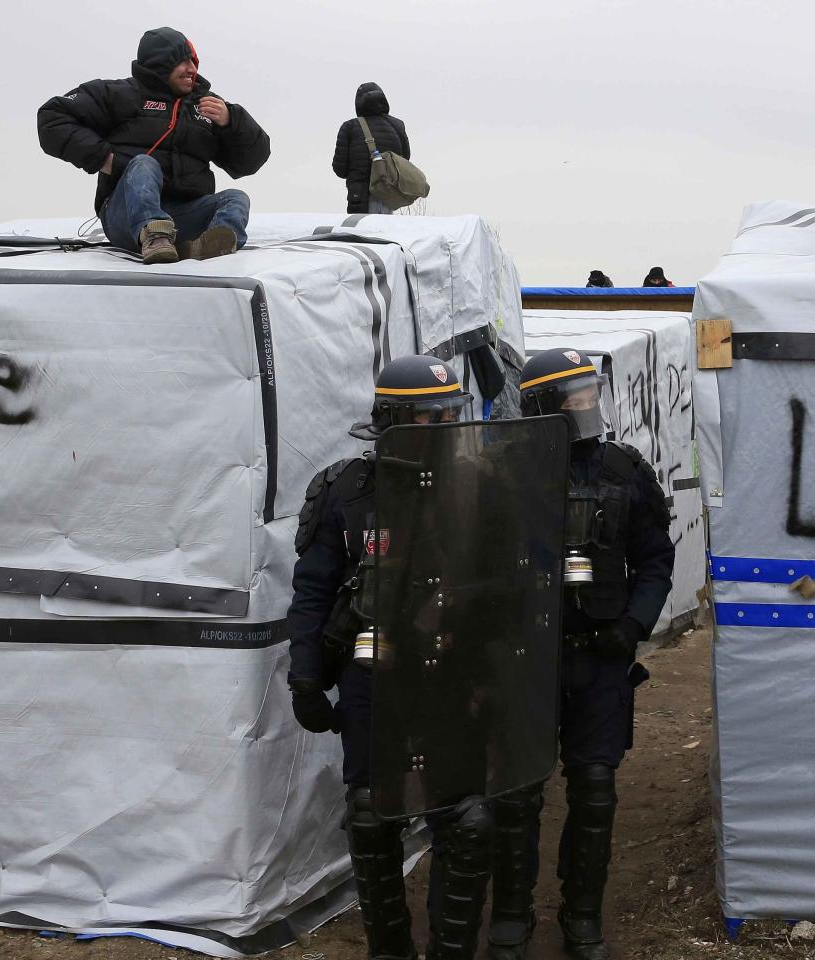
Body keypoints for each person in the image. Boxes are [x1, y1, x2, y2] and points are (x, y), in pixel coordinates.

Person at [287, 355, 497, 960]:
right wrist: (305, 676)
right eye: (428, 417)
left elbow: (517, 589)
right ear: (394, 420)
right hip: (372, 677)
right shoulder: (345, 492)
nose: (441, 429)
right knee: (372, 816)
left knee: (467, 820)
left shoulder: (482, 490)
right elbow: (313, 590)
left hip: (454, 679)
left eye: (448, 416)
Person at [486, 349, 675, 960]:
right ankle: (511, 915)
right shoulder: (504, 474)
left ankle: (582, 914)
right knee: (517, 794)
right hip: (526, 660)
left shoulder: (625, 470)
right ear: (543, 407)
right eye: (575, 398)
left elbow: (655, 559)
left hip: (600, 658)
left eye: (591, 393)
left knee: (595, 788)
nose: (589, 405)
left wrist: (634, 623)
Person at [38, 27, 271, 265]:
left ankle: (213, 247)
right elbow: (52, 118)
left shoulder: (206, 107)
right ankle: (154, 236)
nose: (192, 69)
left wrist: (231, 122)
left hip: (181, 218)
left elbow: (251, 161)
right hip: (125, 218)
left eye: (194, 62)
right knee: (144, 163)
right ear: (161, 64)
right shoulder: (119, 94)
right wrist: (103, 158)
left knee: (235, 199)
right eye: (183, 61)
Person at [333, 83, 411, 215]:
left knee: (363, 234)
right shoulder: (398, 125)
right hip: (390, 197)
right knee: (385, 234)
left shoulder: (349, 127)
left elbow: (339, 169)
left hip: (360, 198)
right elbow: (405, 159)